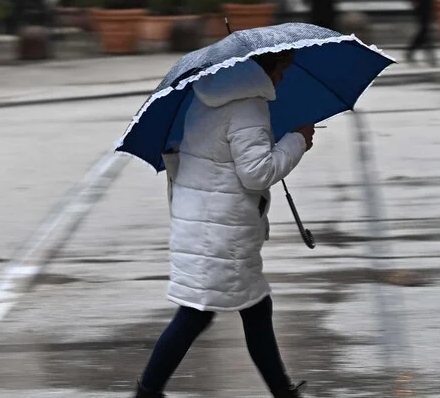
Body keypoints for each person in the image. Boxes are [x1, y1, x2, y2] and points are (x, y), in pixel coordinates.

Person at [134, 50, 315, 398]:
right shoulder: (248, 106)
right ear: (267, 69)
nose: (283, 78)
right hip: (220, 229)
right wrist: (296, 142)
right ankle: (146, 392)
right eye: (282, 70)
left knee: (248, 307)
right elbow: (256, 173)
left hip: (205, 221)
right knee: (199, 313)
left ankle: (282, 390)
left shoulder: (209, 95)